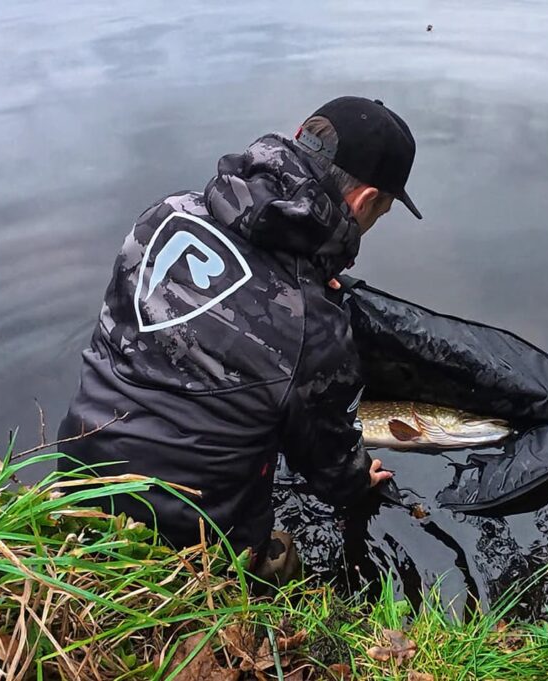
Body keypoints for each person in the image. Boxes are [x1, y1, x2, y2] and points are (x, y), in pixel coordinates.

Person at [56, 96, 421, 575]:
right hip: (186, 544)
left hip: (78, 483)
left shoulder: (166, 214)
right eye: (381, 212)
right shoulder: (314, 326)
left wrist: (309, 277)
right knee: (283, 566)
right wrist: (358, 480)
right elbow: (328, 464)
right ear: (364, 200)